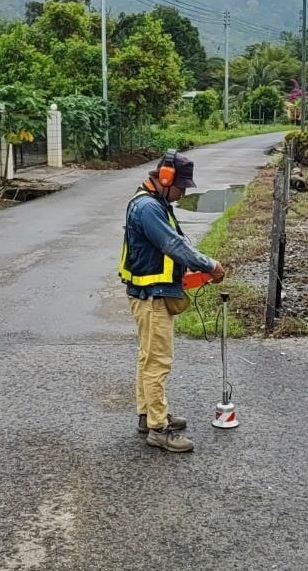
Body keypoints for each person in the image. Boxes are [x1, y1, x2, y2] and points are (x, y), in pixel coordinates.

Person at [119, 151, 226, 453]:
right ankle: (158, 429)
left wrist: (196, 264)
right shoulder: (148, 207)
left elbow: (177, 243)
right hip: (151, 297)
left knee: (147, 358)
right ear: (165, 179)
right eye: (181, 186)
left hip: (151, 293)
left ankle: (149, 415)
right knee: (157, 362)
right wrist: (209, 265)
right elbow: (172, 244)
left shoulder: (155, 202)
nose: (182, 193)